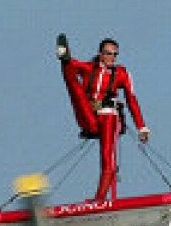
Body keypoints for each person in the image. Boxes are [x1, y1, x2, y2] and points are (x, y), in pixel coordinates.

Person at [56, 34, 150, 200]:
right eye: (108, 53)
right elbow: (74, 66)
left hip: (109, 117)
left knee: (107, 157)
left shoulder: (121, 73)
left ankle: (99, 198)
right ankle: (64, 56)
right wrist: (66, 60)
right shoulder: (88, 68)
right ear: (100, 54)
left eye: (115, 54)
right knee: (73, 84)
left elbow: (131, 99)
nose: (112, 58)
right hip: (89, 117)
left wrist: (141, 127)